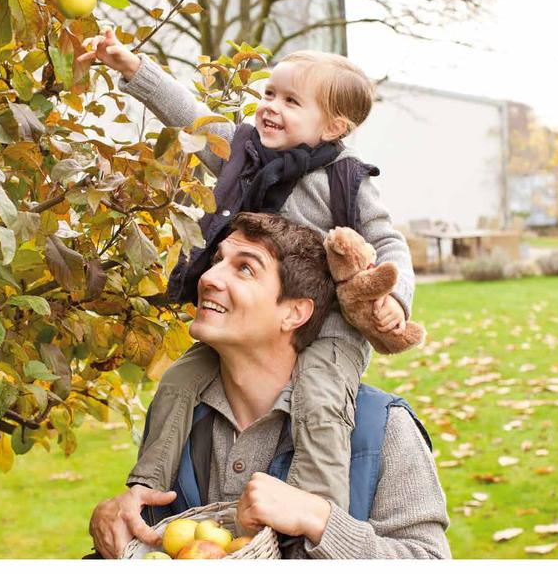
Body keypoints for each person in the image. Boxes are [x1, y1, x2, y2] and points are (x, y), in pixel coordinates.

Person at [78, 31, 415, 513]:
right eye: (269, 94)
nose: (271, 107)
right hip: (254, 317)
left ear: (334, 127)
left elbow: (389, 244)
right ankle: (149, 486)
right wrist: (131, 66)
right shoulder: (246, 155)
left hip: (330, 326)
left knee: (320, 398)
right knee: (178, 380)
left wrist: (393, 301)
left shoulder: (344, 180)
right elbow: (193, 116)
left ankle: (309, 508)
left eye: (292, 101)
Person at [87, 213, 449, 559]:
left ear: (295, 313)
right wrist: (110, 527)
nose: (209, 277)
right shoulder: (178, 416)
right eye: (217, 260)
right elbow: (157, 548)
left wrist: (322, 522)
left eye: (244, 268)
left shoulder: (382, 428)